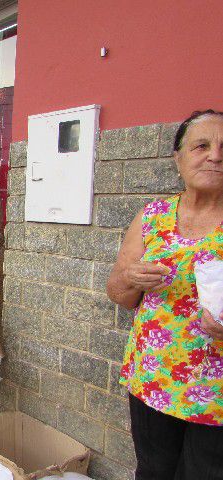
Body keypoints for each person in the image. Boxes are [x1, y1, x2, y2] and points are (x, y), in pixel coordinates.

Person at [107, 110, 223, 479]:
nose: (215, 156)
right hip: (155, 377)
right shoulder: (154, 216)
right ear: (179, 158)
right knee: (153, 471)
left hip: (216, 391)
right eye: (201, 146)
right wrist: (132, 278)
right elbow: (118, 293)